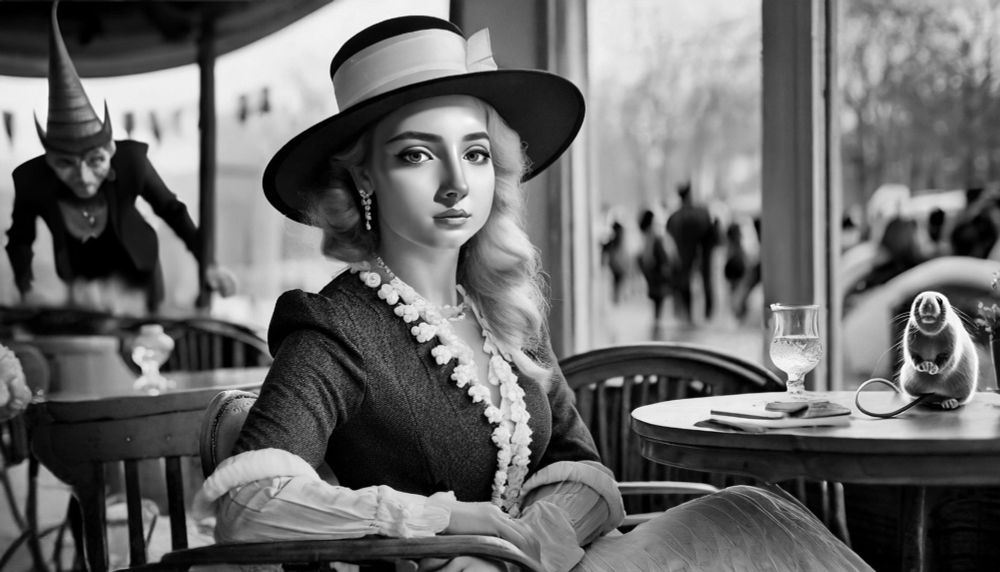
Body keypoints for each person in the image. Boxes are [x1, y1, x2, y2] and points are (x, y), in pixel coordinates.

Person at [193, 16, 873, 572]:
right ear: (363, 180)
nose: (458, 183)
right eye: (417, 154)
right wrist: (448, 524)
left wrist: (538, 542)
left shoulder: (503, 305)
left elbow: (581, 465)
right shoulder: (334, 327)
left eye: (478, 153)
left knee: (749, 516)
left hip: (553, 564)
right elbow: (247, 506)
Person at [5, 1, 235, 316]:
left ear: (110, 151)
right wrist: (25, 288)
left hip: (139, 272)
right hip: (81, 282)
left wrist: (209, 264)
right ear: (49, 160)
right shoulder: (31, 180)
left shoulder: (132, 162)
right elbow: (19, 240)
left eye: (94, 161)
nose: (83, 176)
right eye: (65, 164)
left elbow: (173, 211)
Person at [666, 181, 718, 324]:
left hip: (684, 255)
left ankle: (687, 316)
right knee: (705, 281)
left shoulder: (674, 217)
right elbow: (711, 235)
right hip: (699, 254)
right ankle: (707, 315)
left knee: (685, 282)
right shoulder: (702, 213)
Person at [636, 209, 677, 335]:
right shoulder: (656, 237)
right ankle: (658, 332)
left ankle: (657, 331)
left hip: (653, 278)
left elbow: (642, 259)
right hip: (657, 278)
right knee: (660, 309)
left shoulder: (648, 237)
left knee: (658, 309)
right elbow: (663, 257)